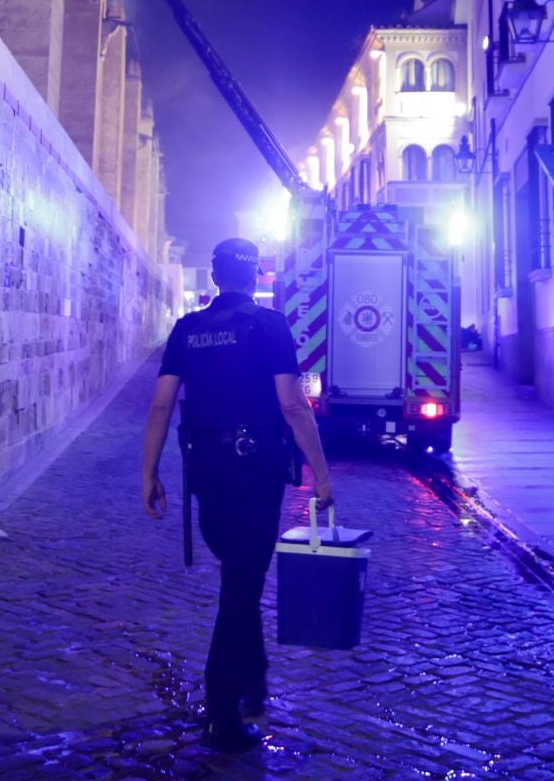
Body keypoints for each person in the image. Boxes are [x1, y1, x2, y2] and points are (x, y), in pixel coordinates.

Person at [141, 237, 335, 752]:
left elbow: (161, 406)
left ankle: (253, 680)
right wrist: (320, 472)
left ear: (214, 277)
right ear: (256, 278)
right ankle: (224, 711)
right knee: (240, 589)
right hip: (256, 473)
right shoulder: (269, 326)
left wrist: (149, 473)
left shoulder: (188, 328)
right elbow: (294, 406)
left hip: (206, 474)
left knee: (239, 577)